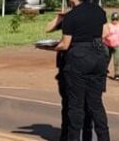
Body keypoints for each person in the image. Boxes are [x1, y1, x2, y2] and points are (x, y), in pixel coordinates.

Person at [55, 0, 110, 141]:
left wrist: (51, 47)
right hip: (99, 56)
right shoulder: (99, 11)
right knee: (96, 104)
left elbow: (65, 44)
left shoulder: (71, 16)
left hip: (78, 58)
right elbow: (105, 33)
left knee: (76, 105)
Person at [45, 10, 93, 140]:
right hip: (64, 68)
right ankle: (66, 135)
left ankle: (83, 135)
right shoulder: (68, 19)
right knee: (67, 104)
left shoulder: (90, 20)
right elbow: (48, 28)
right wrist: (59, 17)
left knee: (82, 105)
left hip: (79, 66)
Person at [103, 12, 119, 80]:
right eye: (113, 19)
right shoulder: (107, 25)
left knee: (117, 60)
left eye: (116, 19)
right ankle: (104, 71)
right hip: (107, 45)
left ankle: (116, 74)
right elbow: (103, 35)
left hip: (118, 45)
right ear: (111, 19)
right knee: (106, 58)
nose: (115, 21)